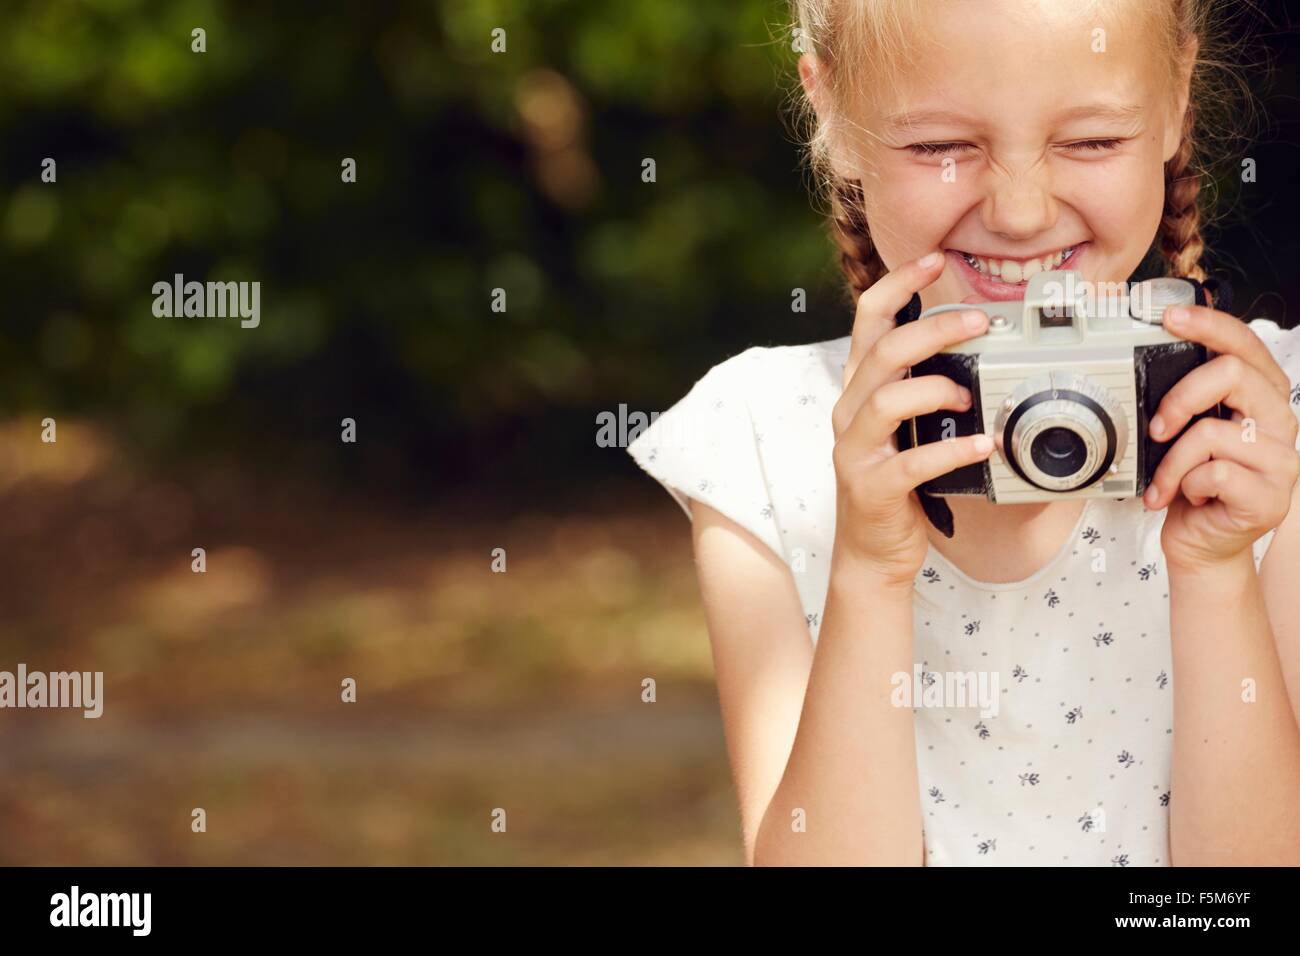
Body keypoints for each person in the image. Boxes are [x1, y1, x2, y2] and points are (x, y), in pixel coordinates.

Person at [627, 0, 1300, 866]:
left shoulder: (1268, 421)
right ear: (831, 115)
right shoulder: (764, 440)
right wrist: (869, 573)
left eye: (1091, 141)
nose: (1019, 212)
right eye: (941, 147)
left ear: (1175, 98)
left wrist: (1214, 576)